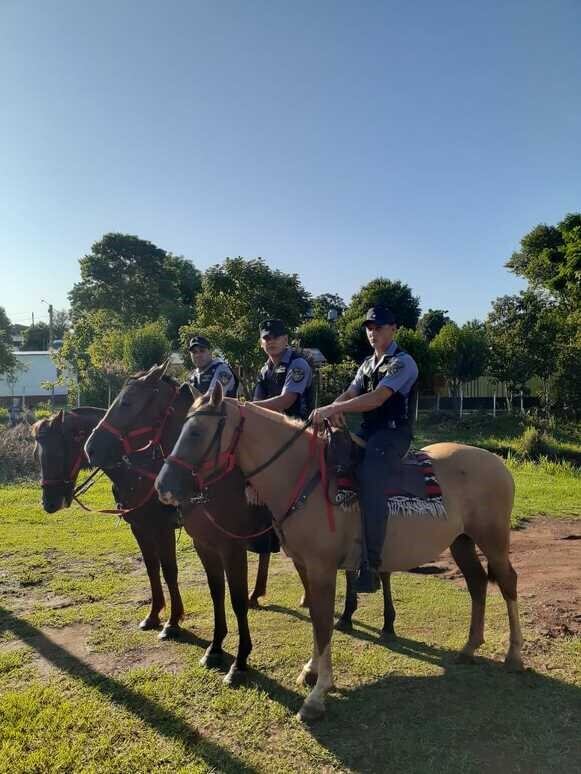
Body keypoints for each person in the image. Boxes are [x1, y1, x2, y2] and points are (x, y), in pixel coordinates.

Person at [311, 305, 418, 593]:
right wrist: (333, 407)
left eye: (379, 327)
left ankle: (370, 565)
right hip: (369, 432)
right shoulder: (367, 364)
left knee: (370, 476)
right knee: (330, 460)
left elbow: (376, 398)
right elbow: (351, 392)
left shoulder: (402, 363)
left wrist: (335, 408)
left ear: (394, 328)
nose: (373, 332)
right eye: (369, 327)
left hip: (393, 435)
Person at [253, 319, 314, 420]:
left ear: (286, 340)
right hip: (274, 428)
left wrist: (247, 406)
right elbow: (258, 400)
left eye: (276, 337)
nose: (271, 342)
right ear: (261, 343)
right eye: (267, 338)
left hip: (301, 429)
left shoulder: (297, 364)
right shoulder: (264, 370)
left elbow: (285, 401)